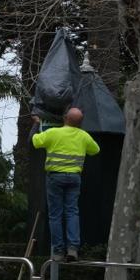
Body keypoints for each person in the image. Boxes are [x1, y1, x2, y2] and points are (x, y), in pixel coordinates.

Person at [31, 107, 100, 261]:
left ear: (65, 118)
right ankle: (73, 249)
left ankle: (57, 251)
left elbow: (35, 141)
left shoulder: (53, 133)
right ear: (80, 123)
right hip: (74, 178)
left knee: (55, 215)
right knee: (72, 212)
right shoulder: (84, 136)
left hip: (55, 177)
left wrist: (36, 124)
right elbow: (95, 150)